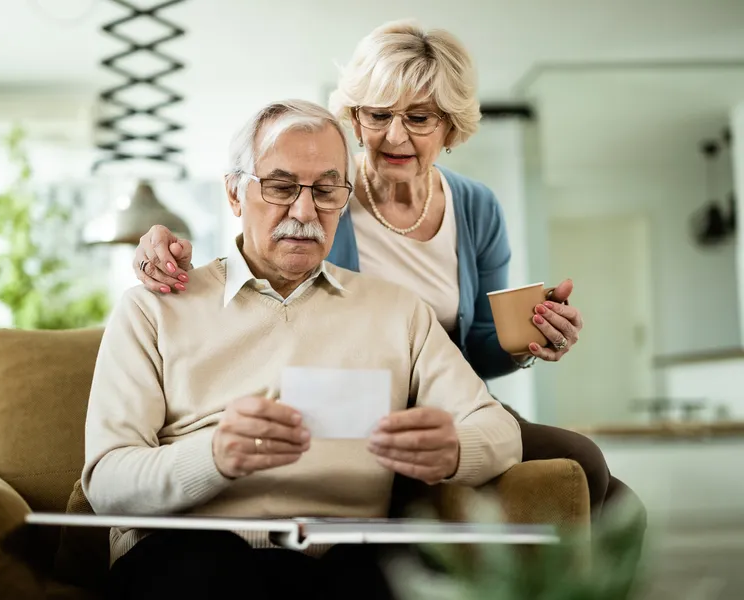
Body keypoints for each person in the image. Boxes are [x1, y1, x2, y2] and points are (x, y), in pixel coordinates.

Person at [131, 19, 646, 536]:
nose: (395, 136)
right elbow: (260, 263)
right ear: (355, 119)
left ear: (450, 126)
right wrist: (160, 248)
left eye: (419, 117)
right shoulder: (324, 192)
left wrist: (527, 341)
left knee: (607, 489)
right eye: (378, 115)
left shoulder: (476, 207)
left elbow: (481, 348)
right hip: (355, 403)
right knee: (585, 467)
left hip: (442, 400)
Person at [83, 99, 523, 600]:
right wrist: (214, 455)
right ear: (234, 192)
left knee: (389, 575)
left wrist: (454, 451)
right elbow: (107, 481)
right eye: (281, 186)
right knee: (207, 571)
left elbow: (501, 433)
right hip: (192, 551)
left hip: (346, 557)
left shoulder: (398, 311)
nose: (305, 210)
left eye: (325, 190)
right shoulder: (153, 309)